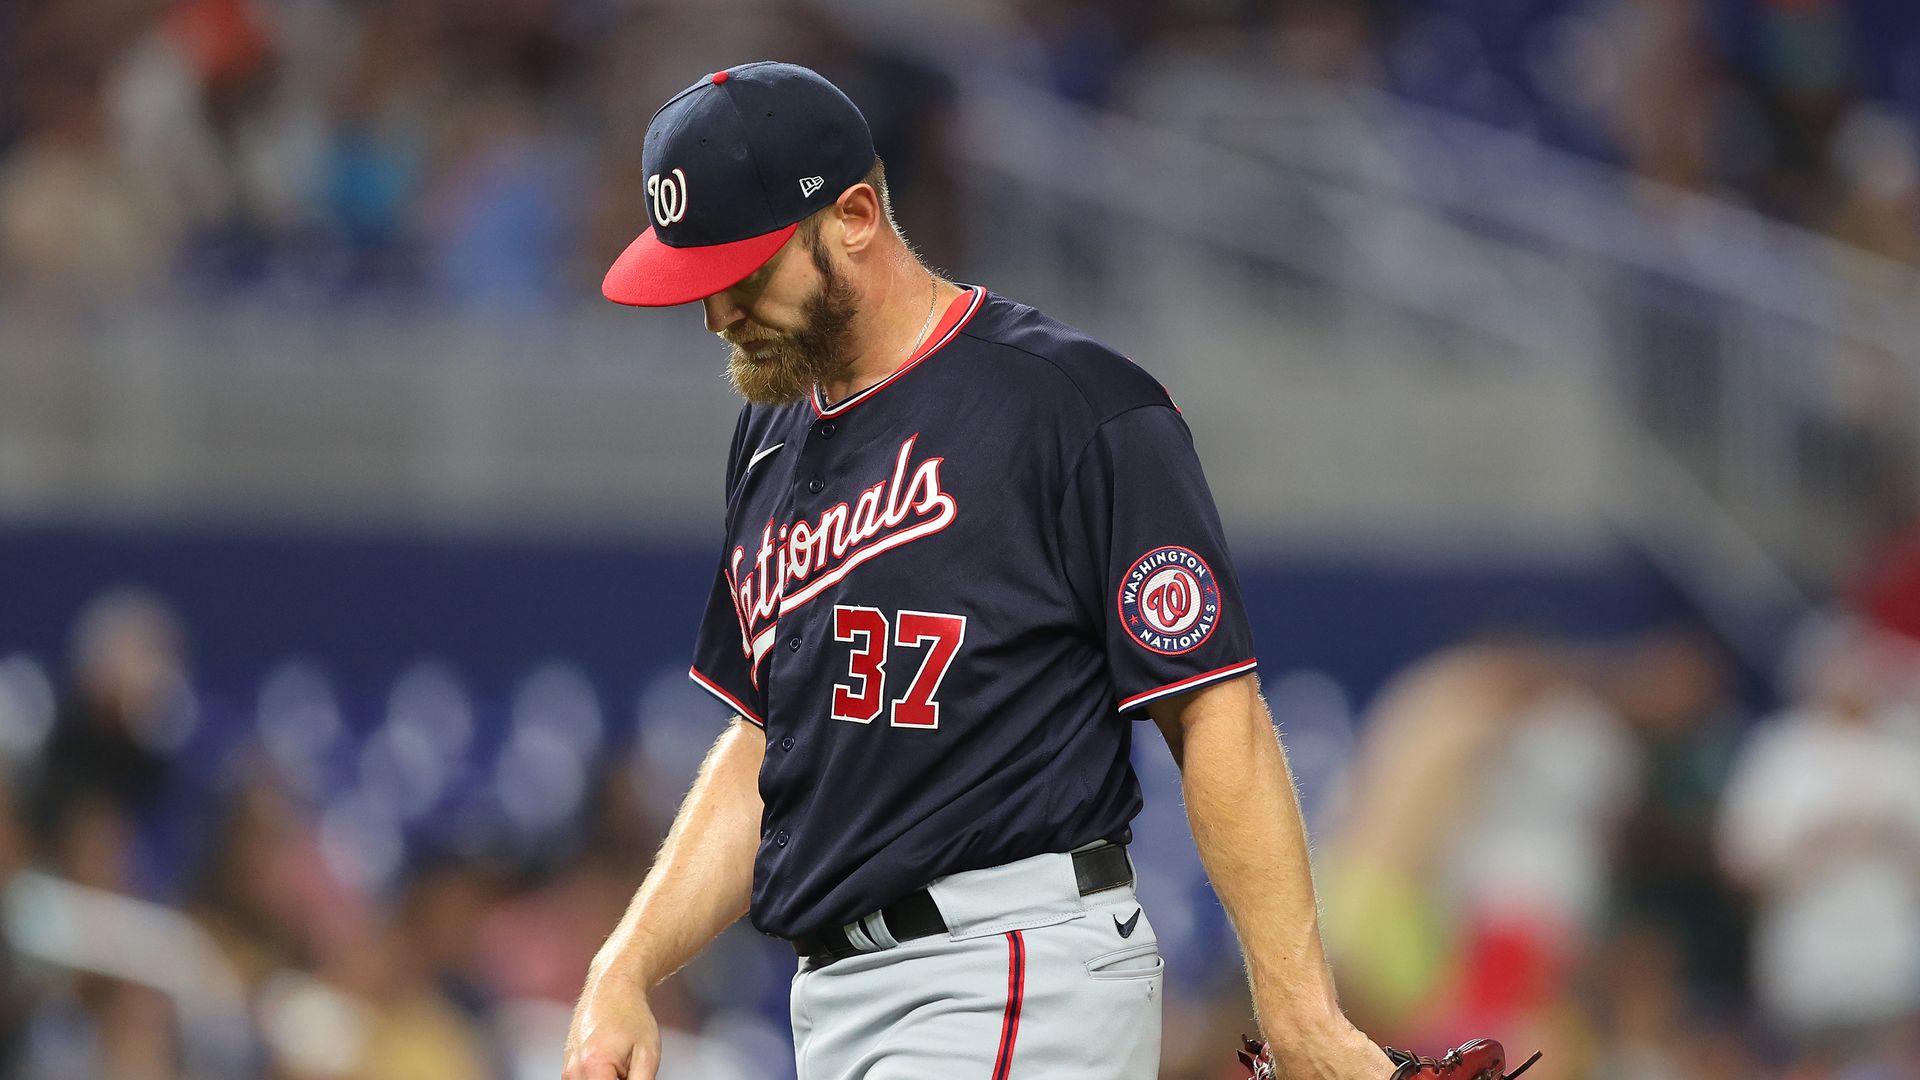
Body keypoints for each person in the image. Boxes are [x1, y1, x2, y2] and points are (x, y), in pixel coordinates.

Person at [563, 61, 1388, 1080]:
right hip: (839, 999)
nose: (716, 313)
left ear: (854, 217)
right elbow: (765, 747)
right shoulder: (770, 437)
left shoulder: (1071, 403)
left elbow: (1214, 708)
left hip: (1007, 967)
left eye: (744, 270)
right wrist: (625, 966)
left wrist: (1301, 1014)